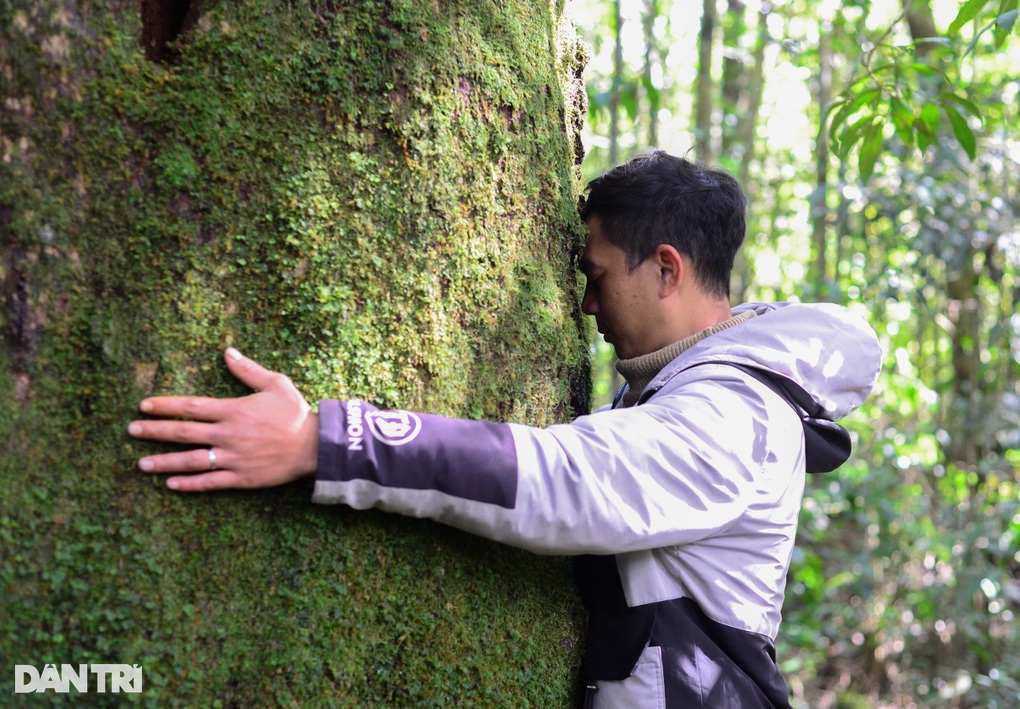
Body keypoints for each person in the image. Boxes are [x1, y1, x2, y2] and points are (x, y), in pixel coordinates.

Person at [128, 151, 881, 708]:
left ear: (666, 268)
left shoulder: (731, 416)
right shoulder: (680, 389)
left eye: (598, 274)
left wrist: (321, 439)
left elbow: (561, 480)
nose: (587, 304)